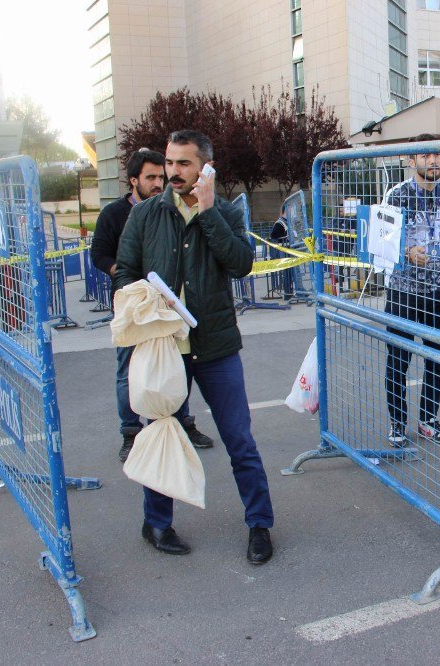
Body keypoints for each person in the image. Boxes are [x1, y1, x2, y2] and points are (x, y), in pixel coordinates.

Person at [115, 130, 275, 564]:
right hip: (164, 347)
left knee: (239, 438)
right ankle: (157, 523)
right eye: (169, 163)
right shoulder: (147, 215)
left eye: (183, 163)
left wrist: (208, 213)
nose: (173, 172)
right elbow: (124, 270)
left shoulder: (223, 212)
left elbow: (241, 264)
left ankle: (259, 524)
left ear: (205, 167)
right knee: (160, 432)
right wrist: (144, 299)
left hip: (215, 346)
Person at [90, 148, 214, 463]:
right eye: (151, 177)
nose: (159, 182)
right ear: (134, 180)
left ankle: (181, 425)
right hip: (134, 308)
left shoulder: (168, 210)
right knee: (128, 371)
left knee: (173, 367)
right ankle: (131, 434)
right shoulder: (115, 214)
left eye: (161, 176)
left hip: (167, 309)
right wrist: (128, 276)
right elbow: (100, 254)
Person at [383, 133, 440, 447]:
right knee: (398, 359)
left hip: (439, 291)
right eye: (426, 156)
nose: (433, 161)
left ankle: (428, 419)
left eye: (438, 155)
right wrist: (406, 253)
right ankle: (398, 423)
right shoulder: (397, 195)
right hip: (403, 291)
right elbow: (382, 242)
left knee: (437, 358)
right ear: (411, 160)